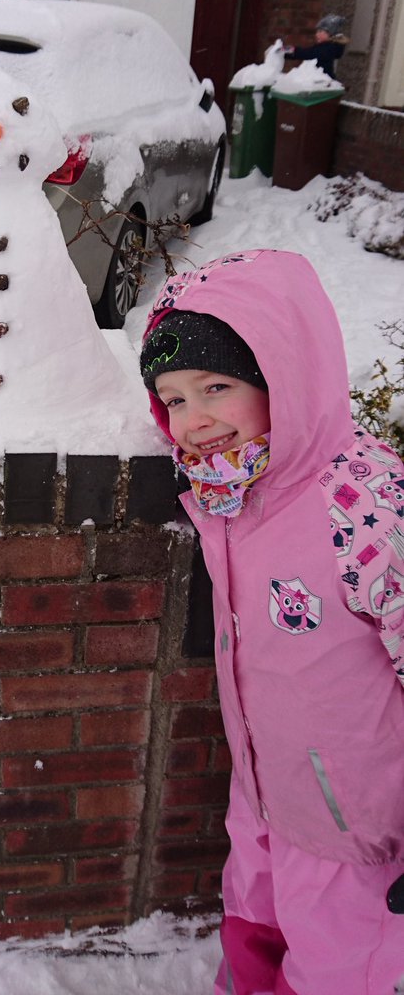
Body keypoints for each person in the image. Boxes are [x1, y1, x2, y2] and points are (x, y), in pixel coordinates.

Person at [139, 249, 404, 995]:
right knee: (254, 938)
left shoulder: (365, 508)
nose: (195, 420)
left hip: (363, 833)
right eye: (174, 399)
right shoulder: (232, 493)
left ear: (285, 373)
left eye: (216, 387)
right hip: (265, 799)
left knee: (336, 971)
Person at [284, 13, 348, 78]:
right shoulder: (329, 47)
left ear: (331, 33)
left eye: (320, 31)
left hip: (322, 84)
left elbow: (308, 53)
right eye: (317, 31)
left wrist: (286, 50)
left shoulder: (328, 49)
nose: (316, 35)